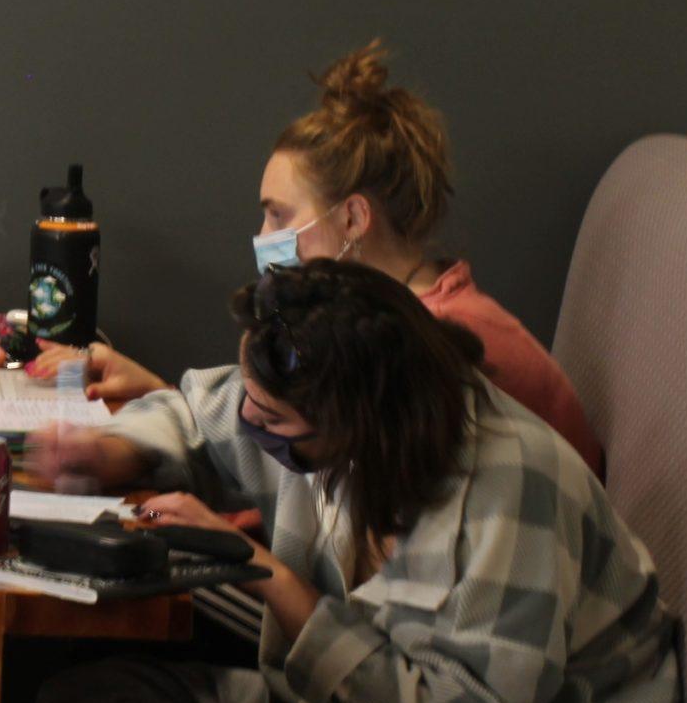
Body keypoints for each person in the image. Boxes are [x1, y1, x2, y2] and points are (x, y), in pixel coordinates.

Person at [33, 261, 677, 703]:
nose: (249, 420)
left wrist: (273, 580)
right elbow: (197, 412)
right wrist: (111, 451)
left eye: (271, 416)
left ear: (355, 426)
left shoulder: (512, 485)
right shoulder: (317, 392)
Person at [32, 38, 603, 488]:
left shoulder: (442, 347)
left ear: (354, 219)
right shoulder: (375, 322)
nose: (263, 239)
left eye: (279, 217)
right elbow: (257, 438)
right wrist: (137, 423)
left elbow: (320, 482)